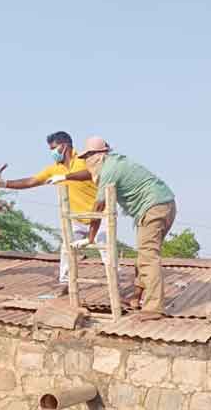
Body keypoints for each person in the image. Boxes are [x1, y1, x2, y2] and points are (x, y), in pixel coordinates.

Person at [64, 136, 176, 320]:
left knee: (148, 257)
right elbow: (89, 176)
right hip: (164, 204)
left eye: (87, 157)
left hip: (153, 207)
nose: (86, 162)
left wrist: (90, 238)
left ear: (97, 155)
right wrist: (66, 176)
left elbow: (98, 207)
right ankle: (136, 298)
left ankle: (154, 308)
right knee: (144, 255)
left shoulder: (108, 170)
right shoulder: (113, 163)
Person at [0, 131, 109, 297]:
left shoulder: (83, 159)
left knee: (107, 252)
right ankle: (66, 285)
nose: (52, 152)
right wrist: (4, 183)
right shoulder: (54, 169)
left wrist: (66, 176)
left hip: (99, 215)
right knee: (67, 251)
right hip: (75, 218)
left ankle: (116, 286)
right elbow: (31, 181)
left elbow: (91, 172)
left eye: (53, 148)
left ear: (64, 146)